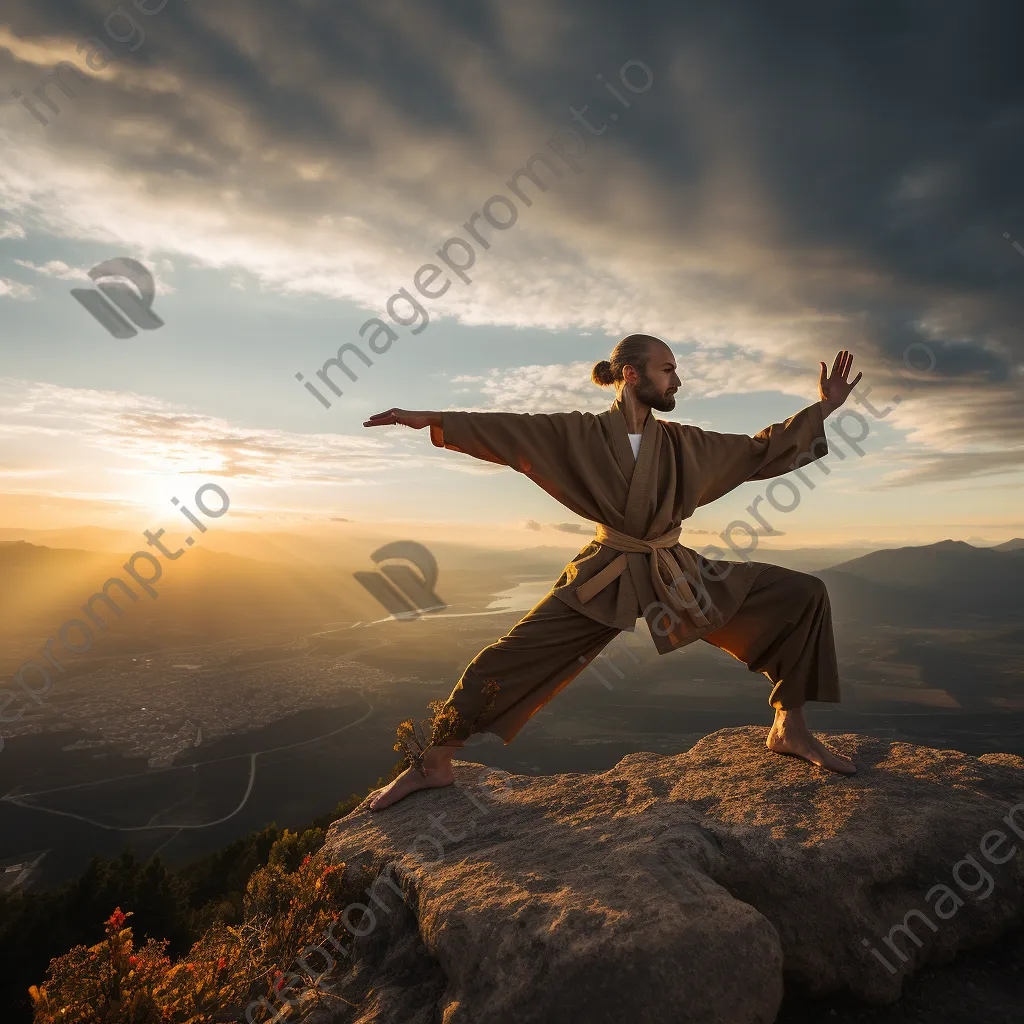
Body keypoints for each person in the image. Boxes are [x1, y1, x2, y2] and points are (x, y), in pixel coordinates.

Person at [363, 336, 863, 810]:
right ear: (631, 374)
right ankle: (434, 763)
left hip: (674, 570)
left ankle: (789, 726)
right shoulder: (578, 434)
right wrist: (431, 418)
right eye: (668, 370)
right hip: (608, 573)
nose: (677, 382)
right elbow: (508, 427)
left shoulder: (683, 444)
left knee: (803, 594)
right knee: (507, 660)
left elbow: (759, 450)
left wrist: (824, 408)